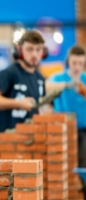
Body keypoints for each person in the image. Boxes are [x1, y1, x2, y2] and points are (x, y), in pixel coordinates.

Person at [0, 30, 47, 132]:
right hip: (5, 141)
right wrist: (19, 103)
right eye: (29, 49)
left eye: (38, 49)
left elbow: (39, 109)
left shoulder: (40, 78)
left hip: (28, 141)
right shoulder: (8, 73)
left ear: (44, 52)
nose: (34, 54)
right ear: (19, 50)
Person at [46, 45, 86, 198]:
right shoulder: (59, 77)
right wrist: (67, 85)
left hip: (83, 132)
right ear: (68, 61)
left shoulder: (84, 79)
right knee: (63, 165)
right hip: (62, 131)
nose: (77, 67)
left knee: (82, 166)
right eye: (74, 63)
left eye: (80, 63)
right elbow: (45, 86)